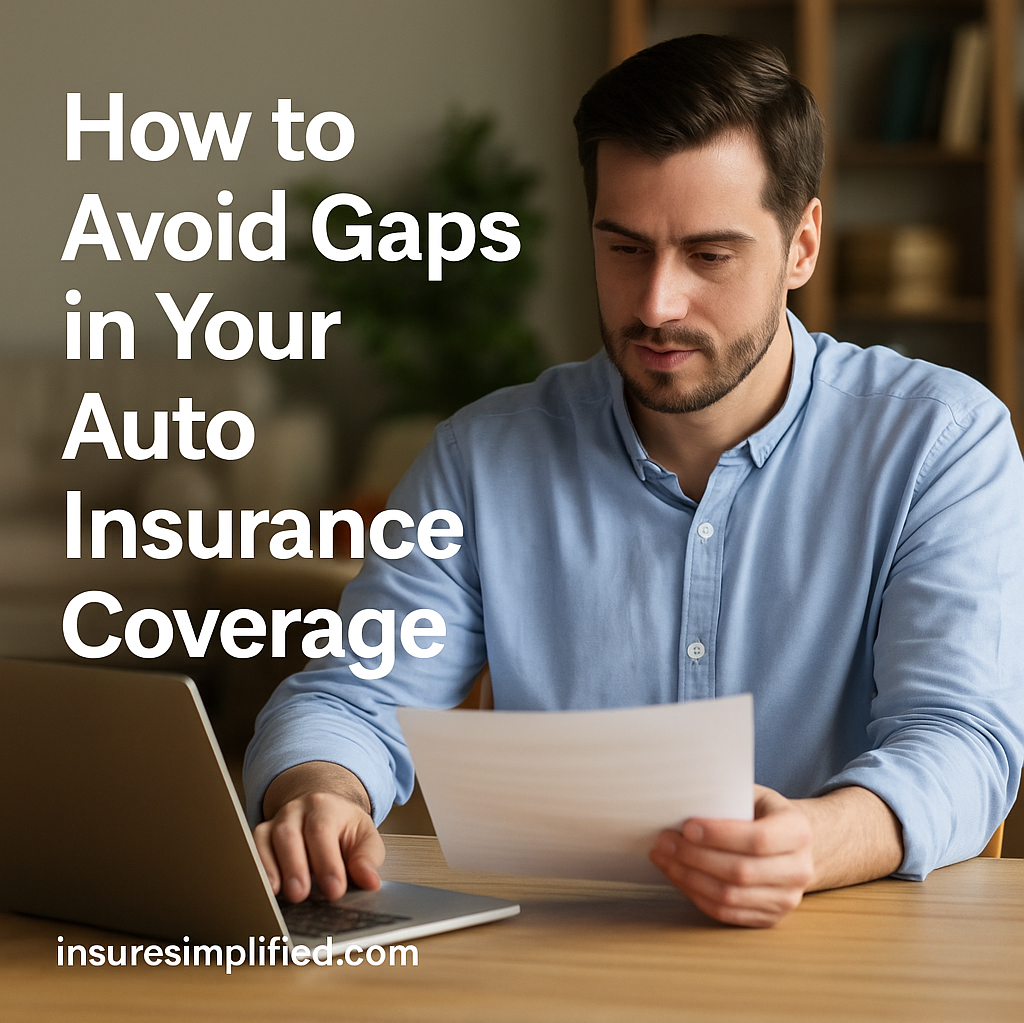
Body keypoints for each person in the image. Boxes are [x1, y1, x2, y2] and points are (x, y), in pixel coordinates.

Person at [243, 35, 1024, 928]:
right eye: (624, 249)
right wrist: (321, 792)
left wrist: (814, 840)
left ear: (801, 245)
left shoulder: (941, 441)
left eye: (709, 255)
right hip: (557, 950)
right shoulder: (479, 457)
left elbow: (962, 740)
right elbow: (356, 694)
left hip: (845, 944)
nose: (656, 304)